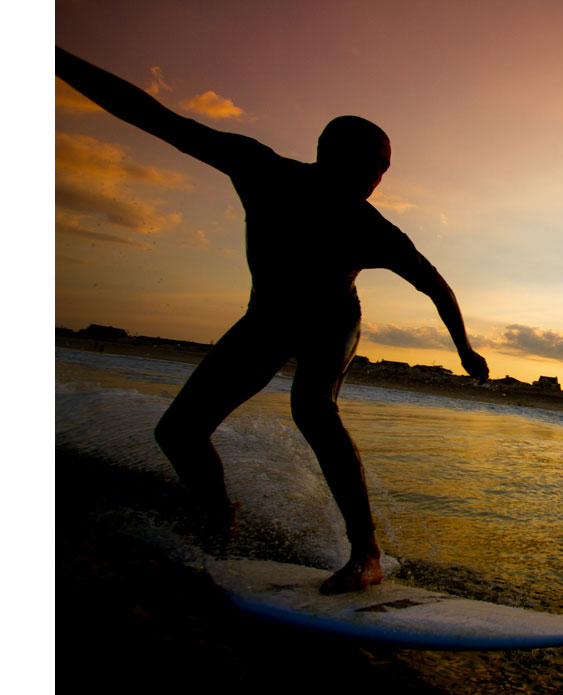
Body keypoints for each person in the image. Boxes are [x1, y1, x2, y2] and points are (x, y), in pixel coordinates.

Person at [56, 47, 489, 594]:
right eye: (370, 161)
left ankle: (366, 553)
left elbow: (436, 285)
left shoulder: (373, 228)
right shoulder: (262, 170)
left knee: (311, 407)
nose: (378, 175)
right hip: (266, 320)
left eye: (384, 168)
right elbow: (155, 117)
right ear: (330, 151)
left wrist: (464, 350)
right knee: (178, 431)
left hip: (333, 321)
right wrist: (59, 61)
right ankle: (217, 515)